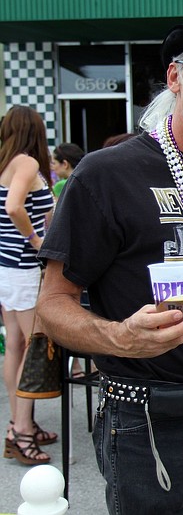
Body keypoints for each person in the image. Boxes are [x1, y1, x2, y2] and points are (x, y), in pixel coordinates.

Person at [36, 0, 183, 514]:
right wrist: (120, 337)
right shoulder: (106, 174)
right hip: (143, 420)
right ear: (174, 76)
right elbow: (51, 305)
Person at [0, 106, 56, 465]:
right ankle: (22, 432)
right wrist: (38, 241)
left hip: (7, 267)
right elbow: (14, 207)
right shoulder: (27, 163)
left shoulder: (5, 163)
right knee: (32, 348)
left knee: (15, 347)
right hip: (23, 267)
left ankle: (18, 426)